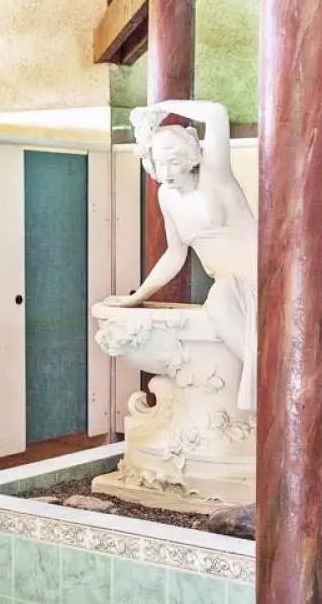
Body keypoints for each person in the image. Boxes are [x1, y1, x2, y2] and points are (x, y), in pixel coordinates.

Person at [102, 101, 259, 412]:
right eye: (160, 163)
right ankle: (265, 379)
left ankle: (266, 379)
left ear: (192, 157)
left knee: (220, 301)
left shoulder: (214, 176)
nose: (167, 172)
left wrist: (160, 108)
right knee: (220, 301)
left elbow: (216, 113)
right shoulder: (167, 196)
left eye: (174, 162)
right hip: (230, 283)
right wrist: (136, 297)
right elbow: (175, 255)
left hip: (259, 275)